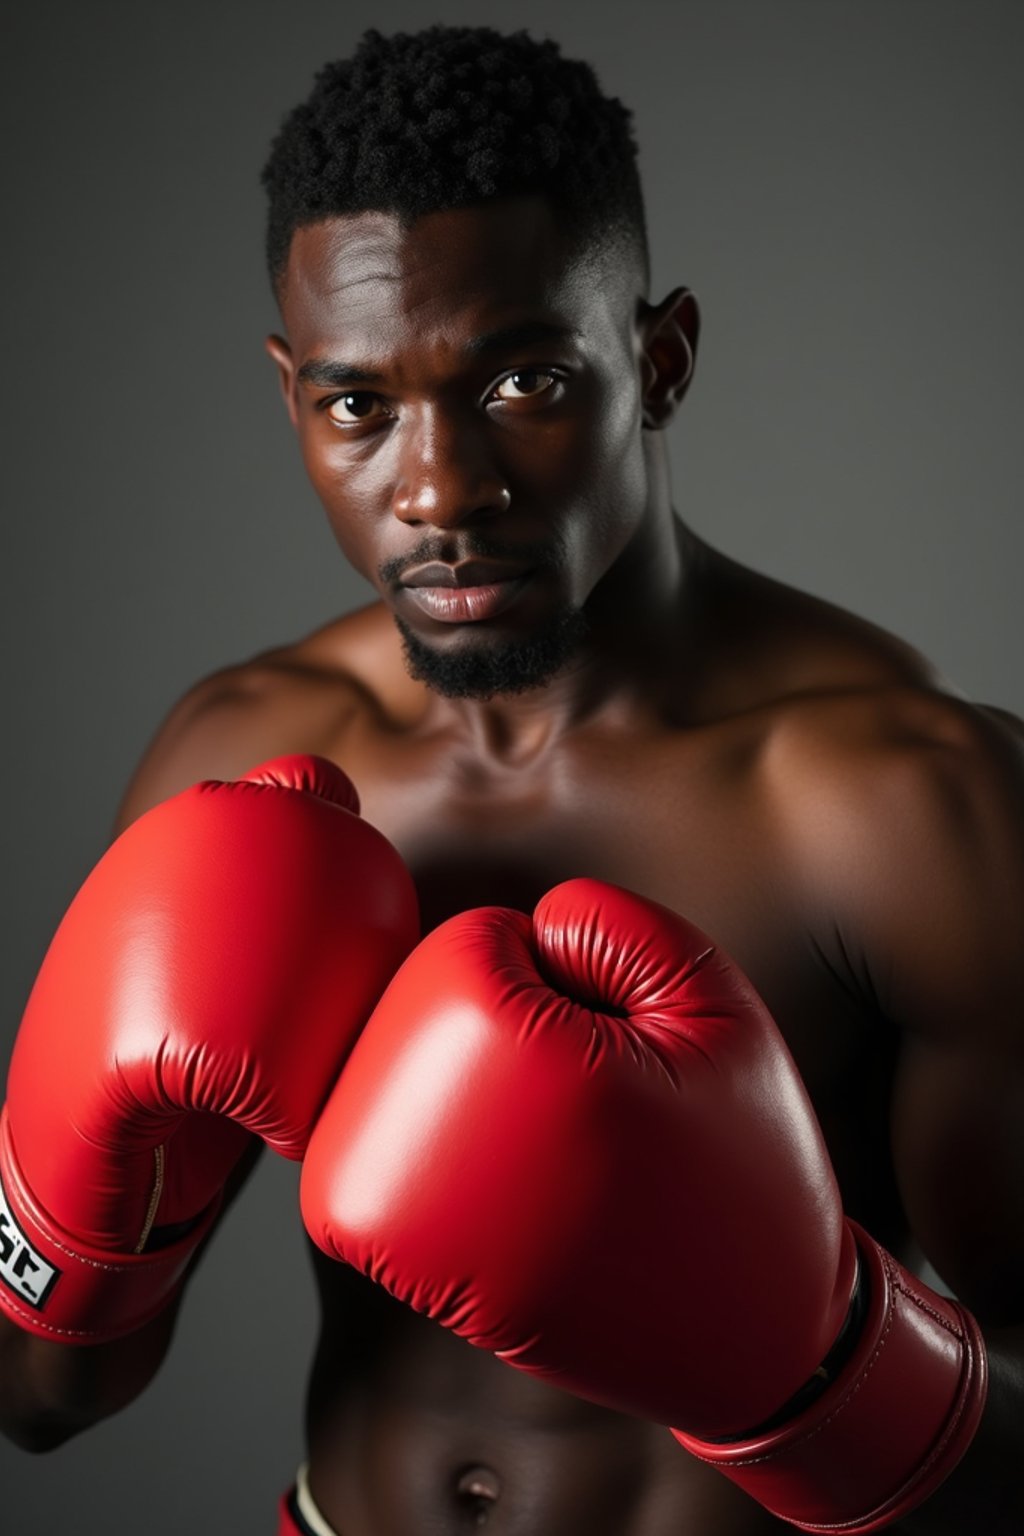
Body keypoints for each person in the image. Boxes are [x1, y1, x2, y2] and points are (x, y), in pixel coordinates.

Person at [1, 23, 1022, 1535]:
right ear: (290, 394)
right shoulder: (236, 762)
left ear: (658, 360)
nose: (438, 489)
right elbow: (39, 1406)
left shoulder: (903, 806)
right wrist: (52, 1244)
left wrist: (811, 1367)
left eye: (525, 380)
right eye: (358, 405)